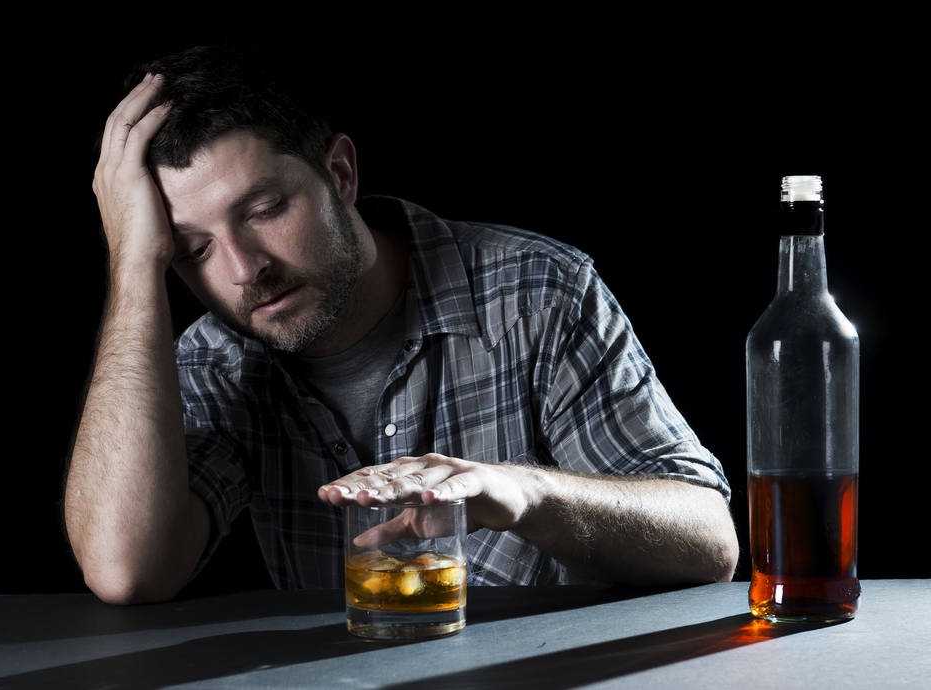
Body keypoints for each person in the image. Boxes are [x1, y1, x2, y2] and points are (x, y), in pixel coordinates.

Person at [65, 46, 739, 604]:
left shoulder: (536, 292)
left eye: (266, 208)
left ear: (340, 173)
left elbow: (709, 542)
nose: (245, 271)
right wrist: (132, 267)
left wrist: (521, 493)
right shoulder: (215, 362)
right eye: (193, 251)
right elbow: (127, 570)